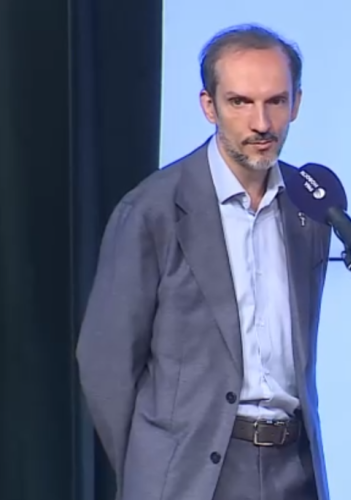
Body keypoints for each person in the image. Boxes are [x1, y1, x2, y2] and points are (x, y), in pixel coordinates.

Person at [77, 24, 332, 500]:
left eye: (276, 101)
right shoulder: (153, 209)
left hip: (292, 467)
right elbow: (105, 362)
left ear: (296, 103)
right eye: (240, 102)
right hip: (191, 474)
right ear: (209, 106)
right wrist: (150, 469)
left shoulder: (308, 210)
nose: (261, 123)